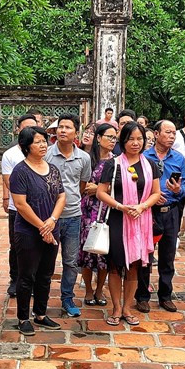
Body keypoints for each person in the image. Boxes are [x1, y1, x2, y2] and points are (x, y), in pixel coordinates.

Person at [96, 122, 162, 326]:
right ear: (122, 141)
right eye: (130, 139)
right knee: (116, 265)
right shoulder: (112, 164)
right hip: (117, 218)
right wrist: (120, 206)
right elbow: (100, 192)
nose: (135, 143)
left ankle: (127, 308)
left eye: (139, 139)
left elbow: (157, 193)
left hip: (141, 221)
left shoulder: (150, 165)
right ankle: (116, 308)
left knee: (134, 267)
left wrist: (142, 207)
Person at [11, 126, 65, 335]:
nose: (43, 145)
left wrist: (52, 220)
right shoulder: (20, 171)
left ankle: (40, 314)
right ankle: (23, 317)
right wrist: (42, 226)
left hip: (52, 228)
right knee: (26, 276)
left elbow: (61, 196)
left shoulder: (52, 169)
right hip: (28, 231)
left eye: (44, 141)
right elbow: (21, 204)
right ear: (26, 146)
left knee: (46, 274)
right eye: (38, 141)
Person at [137, 120, 185, 313]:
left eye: (174, 133)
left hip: (171, 211)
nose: (172, 136)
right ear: (156, 134)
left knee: (168, 256)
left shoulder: (179, 158)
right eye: (168, 132)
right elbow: (137, 184)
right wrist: (151, 197)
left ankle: (165, 295)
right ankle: (142, 296)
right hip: (150, 212)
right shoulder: (143, 156)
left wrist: (177, 190)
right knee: (145, 256)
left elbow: (184, 187)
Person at [45, 113, 92, 318]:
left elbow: (82, 185)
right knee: (46, 260)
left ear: (76, 132)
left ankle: (67, 298)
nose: (63, 130)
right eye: (60, 127)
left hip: (73, 215)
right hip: (48, 217)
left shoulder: (84, 157)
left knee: (71, 261)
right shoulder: (46, 154)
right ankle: (41, 297)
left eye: (67, 127)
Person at [79, 123, 117, 308]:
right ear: (99, 138)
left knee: (104, 252)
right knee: (87, 250)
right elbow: (79, 184)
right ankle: (88, 289)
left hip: (107, 210)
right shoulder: (86, 159)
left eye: (114, 138)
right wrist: (90, 189)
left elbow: (120, 186)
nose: (112, 141)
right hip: (86, 211)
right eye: (109, 136)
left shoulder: (116, 161)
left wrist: (103, 189)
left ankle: (100, 288)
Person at [1, 114, 39, 298]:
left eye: (34, 127)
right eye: (26, 128)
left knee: (37, 245)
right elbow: (9, 181)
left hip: (40, 210)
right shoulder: (10, 155)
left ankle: (33, 280)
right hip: (18, 208)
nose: (30, 131)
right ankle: (15, 279)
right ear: (18, 130)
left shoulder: (43, 150)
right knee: (16, 245)